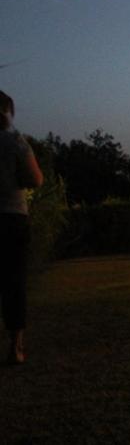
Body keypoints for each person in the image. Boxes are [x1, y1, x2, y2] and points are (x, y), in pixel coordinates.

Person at [0, 90, 43, 365]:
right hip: (12, 217)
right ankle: (16, 346)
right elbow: (35, 179)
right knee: (14, 282)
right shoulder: (15, 141)